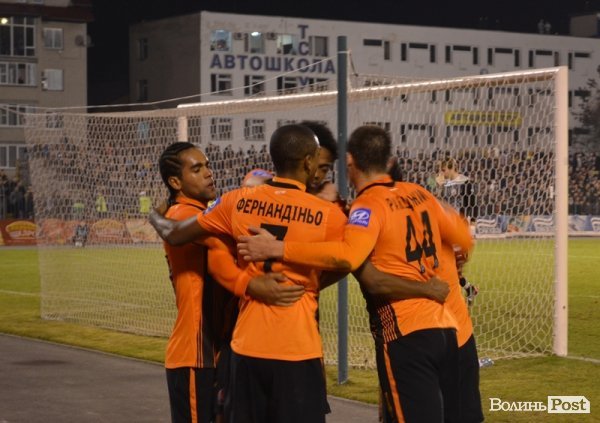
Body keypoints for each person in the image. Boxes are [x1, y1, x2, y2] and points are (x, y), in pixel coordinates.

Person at [238, 125, 473, 423]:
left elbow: (351, 259)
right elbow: (464, 238)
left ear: (349, 162)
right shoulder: (420, 193)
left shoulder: (366, 207)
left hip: (404, 331)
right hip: (450, 329)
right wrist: (451, 266)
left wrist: (279, 248)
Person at [150, 125, 348, 423]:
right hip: (202, 349)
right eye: (197, 169)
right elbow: (212, 252)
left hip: (230, 347)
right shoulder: (184, 213)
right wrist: (253, 283)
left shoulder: (228, 205)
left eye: (207, 165)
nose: (209, 173)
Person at [436, 157, 476, 222]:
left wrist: (473, 222)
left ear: (452, 168)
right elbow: (439, 203)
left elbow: (473, 204)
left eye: (443, 170)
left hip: (460, 221)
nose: (441, 173)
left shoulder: (465, 182)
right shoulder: (444, 183)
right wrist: (439, 188)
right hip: (446, 220)